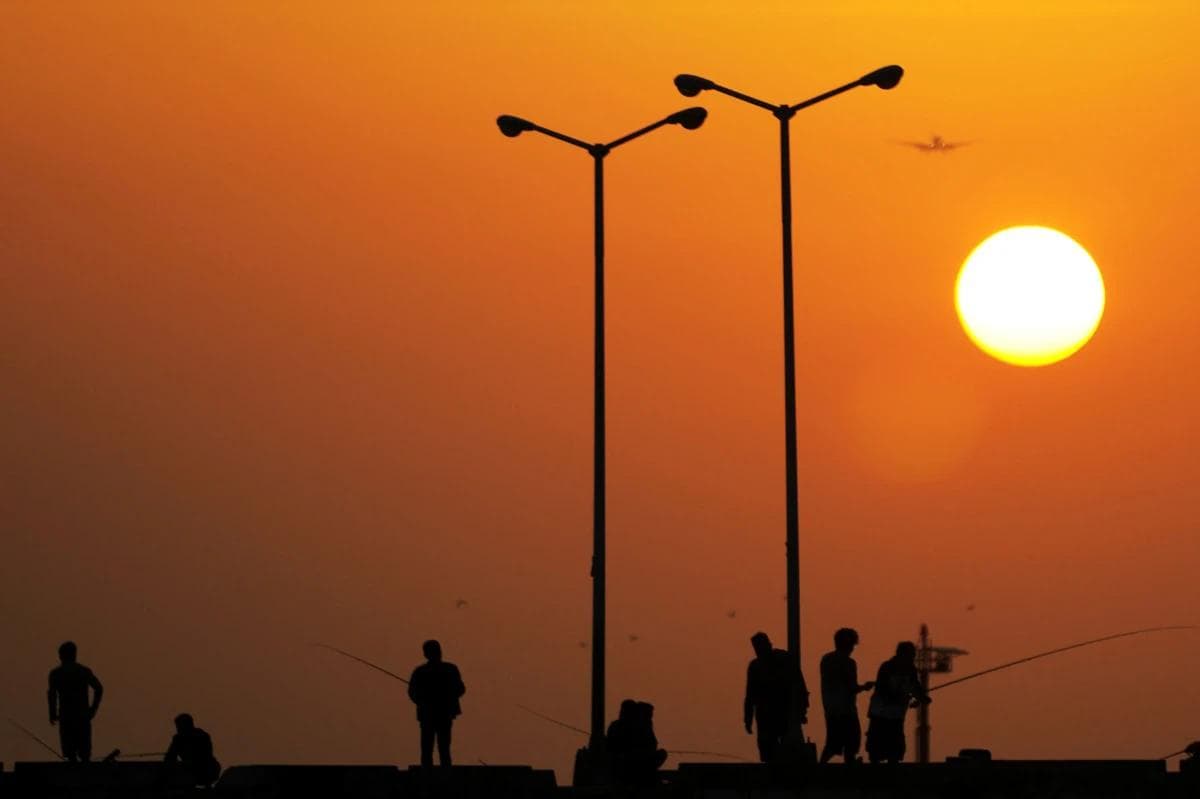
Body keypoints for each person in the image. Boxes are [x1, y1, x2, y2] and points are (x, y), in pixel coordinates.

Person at [743, 631, 808, 763]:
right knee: (769, 751)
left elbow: (799, 684)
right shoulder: (756, 666)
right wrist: (748, 718)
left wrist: (802, 708)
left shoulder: (783, 659)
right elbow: (750, 695)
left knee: (787, 748)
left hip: (783, 712)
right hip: (767, 715)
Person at [864, 641, 929, 763]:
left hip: (896, 715)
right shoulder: (887, 667)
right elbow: (883, 690)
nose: (912, 658)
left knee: (895, 749)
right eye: (911, 655)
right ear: (902, 654)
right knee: (877, 748)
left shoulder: (910, 670)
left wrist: (921, 698)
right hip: (880, 713)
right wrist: (906, 696)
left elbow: (915, 687)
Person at [819, 628, 874, 764]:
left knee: (832, 743)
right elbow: (851, 687)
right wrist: (864, 687)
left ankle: (819, 767)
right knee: (852, 741)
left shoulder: (826, 660)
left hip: (830, 709)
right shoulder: (849, 663)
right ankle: (849, 768)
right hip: (846, 710)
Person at [407, 640, 465, 767]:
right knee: (443, 748)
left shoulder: (421, 672)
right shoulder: (450, 669)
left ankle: (428, 777)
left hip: (430, 715)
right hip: (443, 714)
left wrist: (424, 700)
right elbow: (460, 689)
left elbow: (412, 692)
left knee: (428, 748)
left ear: (425, 654)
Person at [47, 641, 103, 762]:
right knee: (85, 754)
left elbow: (52, 695)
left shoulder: (56, 674)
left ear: (61, 655)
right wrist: (93, 709)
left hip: (66, 718)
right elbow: (99, 688)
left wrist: (52, 712)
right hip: (82, 717)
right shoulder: (84, 671)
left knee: (70, 754)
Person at [164, 713, 221, 787]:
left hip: (205, 769)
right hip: (189, 769)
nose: (178, 729)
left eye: (180, 726)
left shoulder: (201, 736)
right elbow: (170, 756)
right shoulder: (178, 739)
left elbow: (206, 755)